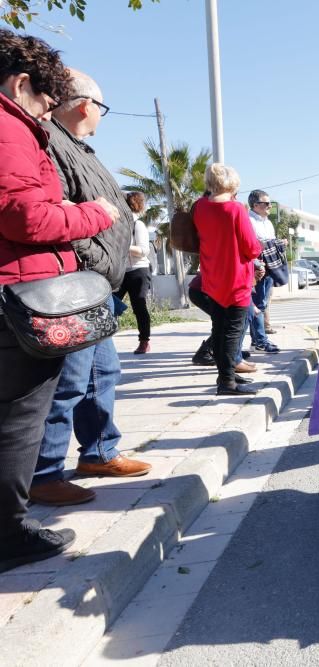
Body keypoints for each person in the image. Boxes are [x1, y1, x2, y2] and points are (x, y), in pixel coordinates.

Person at [0, 29, 119, 572]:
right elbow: (26, 217)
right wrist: (93, 214)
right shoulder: (10, 128)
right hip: (21, 297)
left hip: (21, 288)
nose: (48, 114)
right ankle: (10, 533)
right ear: (21, 83)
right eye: (47, 101)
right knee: (20, 419)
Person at [30, 68, 151, 508]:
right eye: (101, 108)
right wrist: (96, 258)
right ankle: (44, 473)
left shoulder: (75, 145)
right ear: (86, 106)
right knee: (68, 382)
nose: (101, 117)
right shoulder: (48, 140)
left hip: (95, 285)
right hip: (73, 285)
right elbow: (57, 210)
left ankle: (99, 451)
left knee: (102, 374)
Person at [192, 164, 262, 395]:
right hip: (236, 279)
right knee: (232, 332)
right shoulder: (235, 209)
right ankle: (227, 382)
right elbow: (251, 248)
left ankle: (226, 375)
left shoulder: (200, 206)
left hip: (212, 278)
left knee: (220, 329)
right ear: (233, 183)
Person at [117, 192, 153, 354]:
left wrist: (123, 247)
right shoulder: (118, 224)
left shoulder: (138, 225)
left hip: (139, 270)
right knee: (111, 305)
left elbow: (144, 250)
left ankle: (144, 341)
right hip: (121, 271)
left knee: (139, 306)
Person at [247, 189, 279, 335]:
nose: (270, 206)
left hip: (270, 267)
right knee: (257, 302)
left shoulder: (268, 223)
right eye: (266, 203)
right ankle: (258, 338)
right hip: (257, 268)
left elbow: (270, 243)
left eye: (270, 203)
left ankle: (260, 337)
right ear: (255, 205)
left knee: (264, 302)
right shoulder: (249, 221)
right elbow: (249, 246)